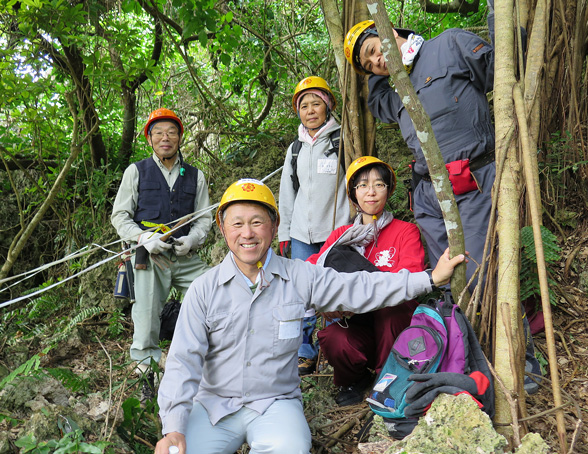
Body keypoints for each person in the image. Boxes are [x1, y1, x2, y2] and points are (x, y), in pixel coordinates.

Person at [154, 178, 465, 454]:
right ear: (222, 229)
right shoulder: (203, 290)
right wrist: (173, 426)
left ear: (274, 227)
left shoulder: (300, 276)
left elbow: (362, 286)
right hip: (213, 406)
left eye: (257, 222)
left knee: (292, 448)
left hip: (274, 404)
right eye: (237, 224)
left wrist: (429, 278)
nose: (247, 233)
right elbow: (183, 362)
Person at [344, 19, 541, 394]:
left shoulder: (449, 45)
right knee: (446, 283)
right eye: (369, 64)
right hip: (428, 195)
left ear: (391, 32)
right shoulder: (393, 89)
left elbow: (502, 66)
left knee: (485, 273)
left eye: (374, 51)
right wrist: (379, 65)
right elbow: (376, 102)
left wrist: (498, 17)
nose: (377, 63)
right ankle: (466, 361)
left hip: (472, 179)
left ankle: (520, 368)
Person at [306, 156, 425, 406]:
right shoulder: (341, 236)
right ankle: (353, 379)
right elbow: (313, 270)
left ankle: (390, 378)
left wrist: (366, 293)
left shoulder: (406, 231)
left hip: (394, 321)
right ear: (353, 194)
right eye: (362, 186)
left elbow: (410, 278)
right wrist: (328, 302)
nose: (371, 192)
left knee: (390, 311)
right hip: (357, 322)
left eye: (379, 185)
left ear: (389, 189)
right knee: (333, 336)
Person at [111, 108, 212, 399]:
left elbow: (204, 217)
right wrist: (142, 238)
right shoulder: (137, 171)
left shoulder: (195, 175)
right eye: (158, 133)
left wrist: (192, 239)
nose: (165, 138)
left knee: (213, 293)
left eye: (171, 132)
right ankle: (147, 376)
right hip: (149, 259)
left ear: (180, 137)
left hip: (184, 258)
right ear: (150, 139)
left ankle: (209, 368)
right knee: (145, 317)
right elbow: (120, 216)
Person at [278, 76, 351, 375]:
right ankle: (305, 353)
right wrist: (284, 233)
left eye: (316, 104)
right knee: (301, 293)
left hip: (335, 230)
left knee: (334, 290)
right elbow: (287, 193)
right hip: (301, 234)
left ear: (329, 105)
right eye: (304, 105)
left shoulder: (342, 140)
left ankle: (334, 349)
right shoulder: (295, 148)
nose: (310, 111)